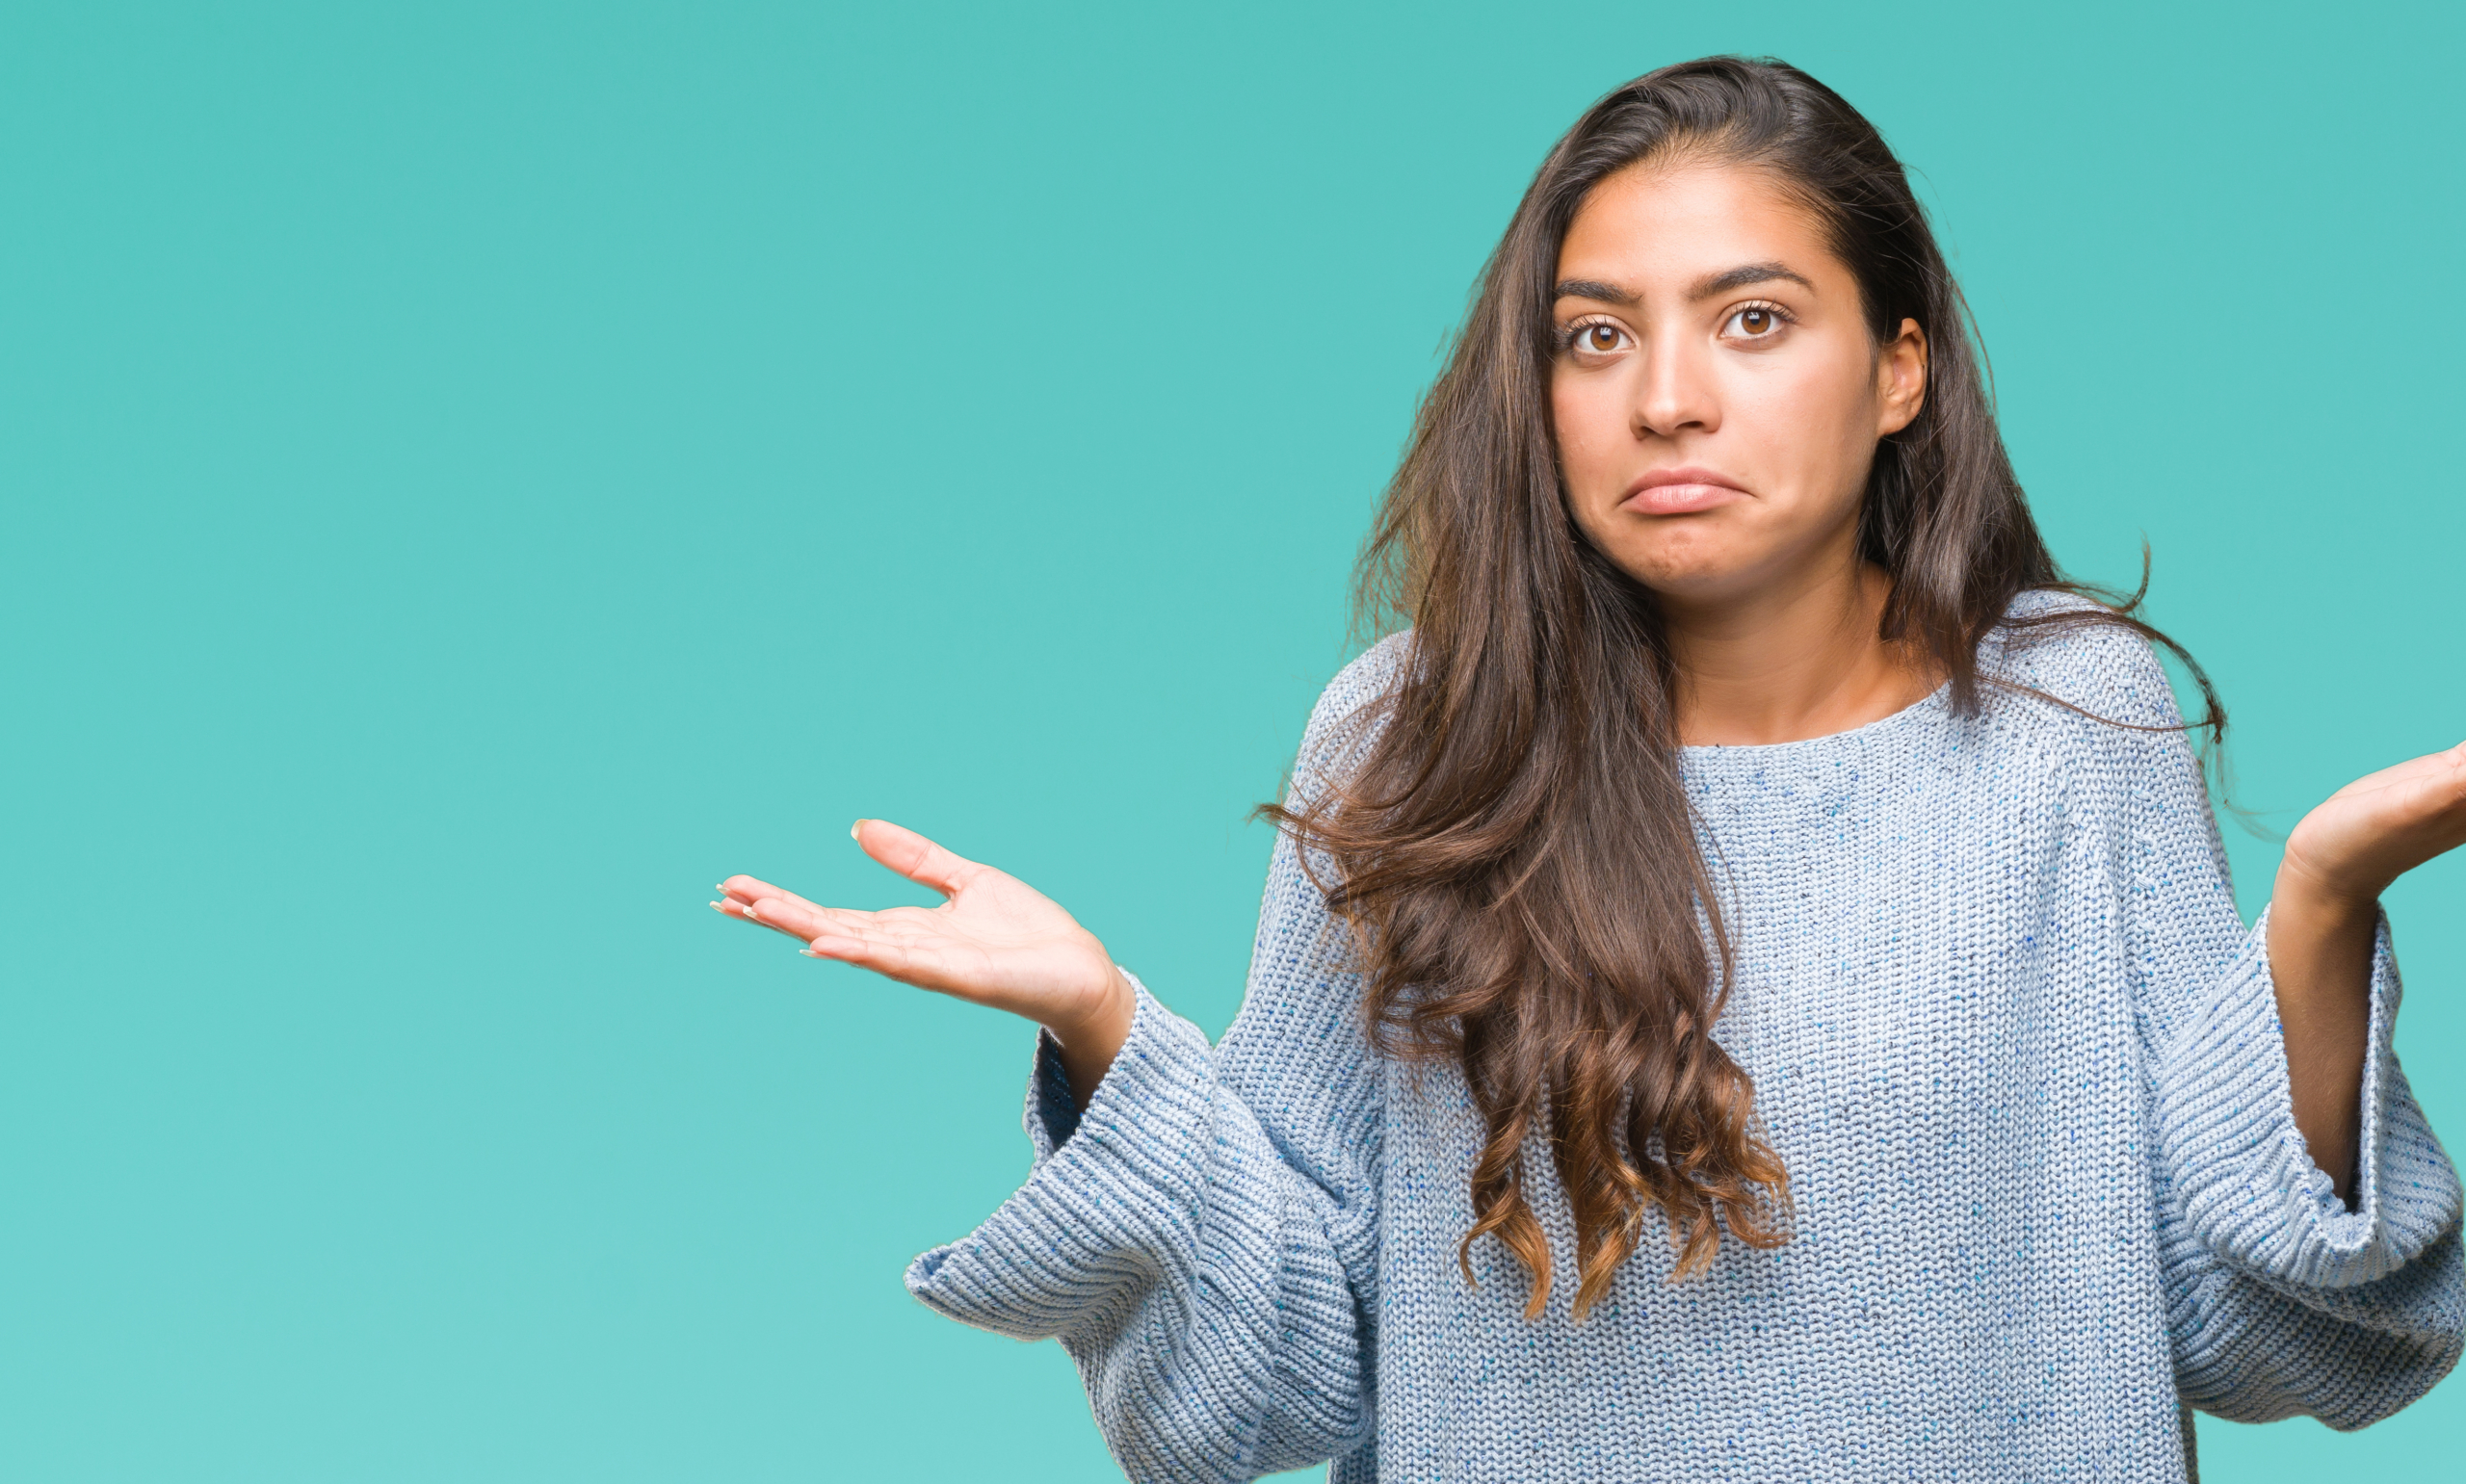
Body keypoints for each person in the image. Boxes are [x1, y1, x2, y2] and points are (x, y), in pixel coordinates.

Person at [712, 57, 2466, 1482]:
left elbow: (2264, 1325)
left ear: (1900, 369)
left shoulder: (2074, 725)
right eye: (1597, 334)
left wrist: (2319, 904)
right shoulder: (1417, 740)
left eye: (1755, 320)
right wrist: (1106, 1025)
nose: (1667, 398)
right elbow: (1277, 1374)